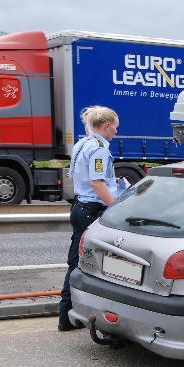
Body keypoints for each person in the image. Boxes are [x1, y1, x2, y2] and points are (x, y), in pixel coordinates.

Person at [58, 106, 127, 331]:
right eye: (115, 128)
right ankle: (68, 316)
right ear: (106, 126)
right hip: (91, 210)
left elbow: (78, 178)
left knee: (76, 262)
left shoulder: (81, 144)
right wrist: (116, 206)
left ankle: (67, 315)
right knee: (88, 265)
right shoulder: (99, 149)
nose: (116, 132)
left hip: (79, 206)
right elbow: (97, 183)